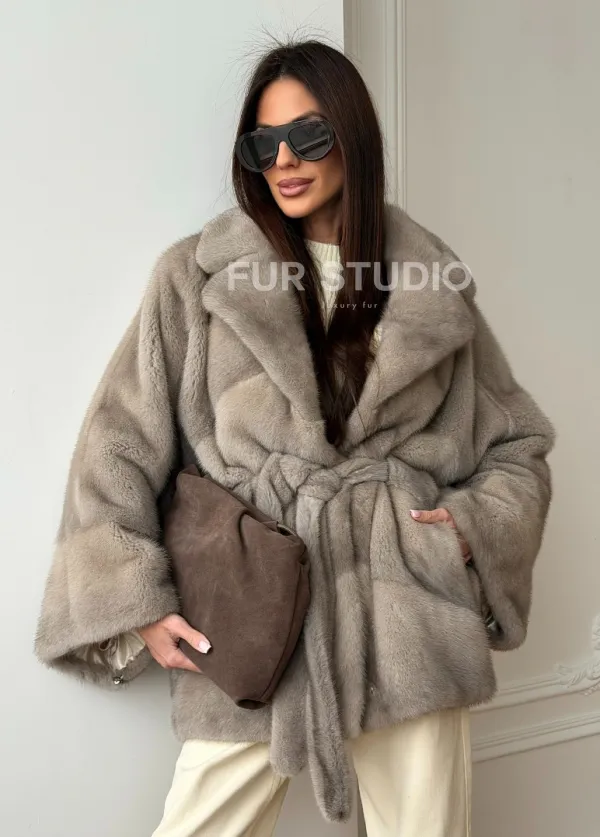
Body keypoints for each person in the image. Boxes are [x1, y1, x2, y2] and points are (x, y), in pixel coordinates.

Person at [33, 38, 556, 837]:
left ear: (352, 134)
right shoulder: (197, 276)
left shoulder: (429, 279)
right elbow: (117, 444)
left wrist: (464, 534)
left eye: (307, 136)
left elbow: (516, 446)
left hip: (405, 618)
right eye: (263, 142)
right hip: (252, 611)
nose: (284, 160)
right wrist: (135, 602)